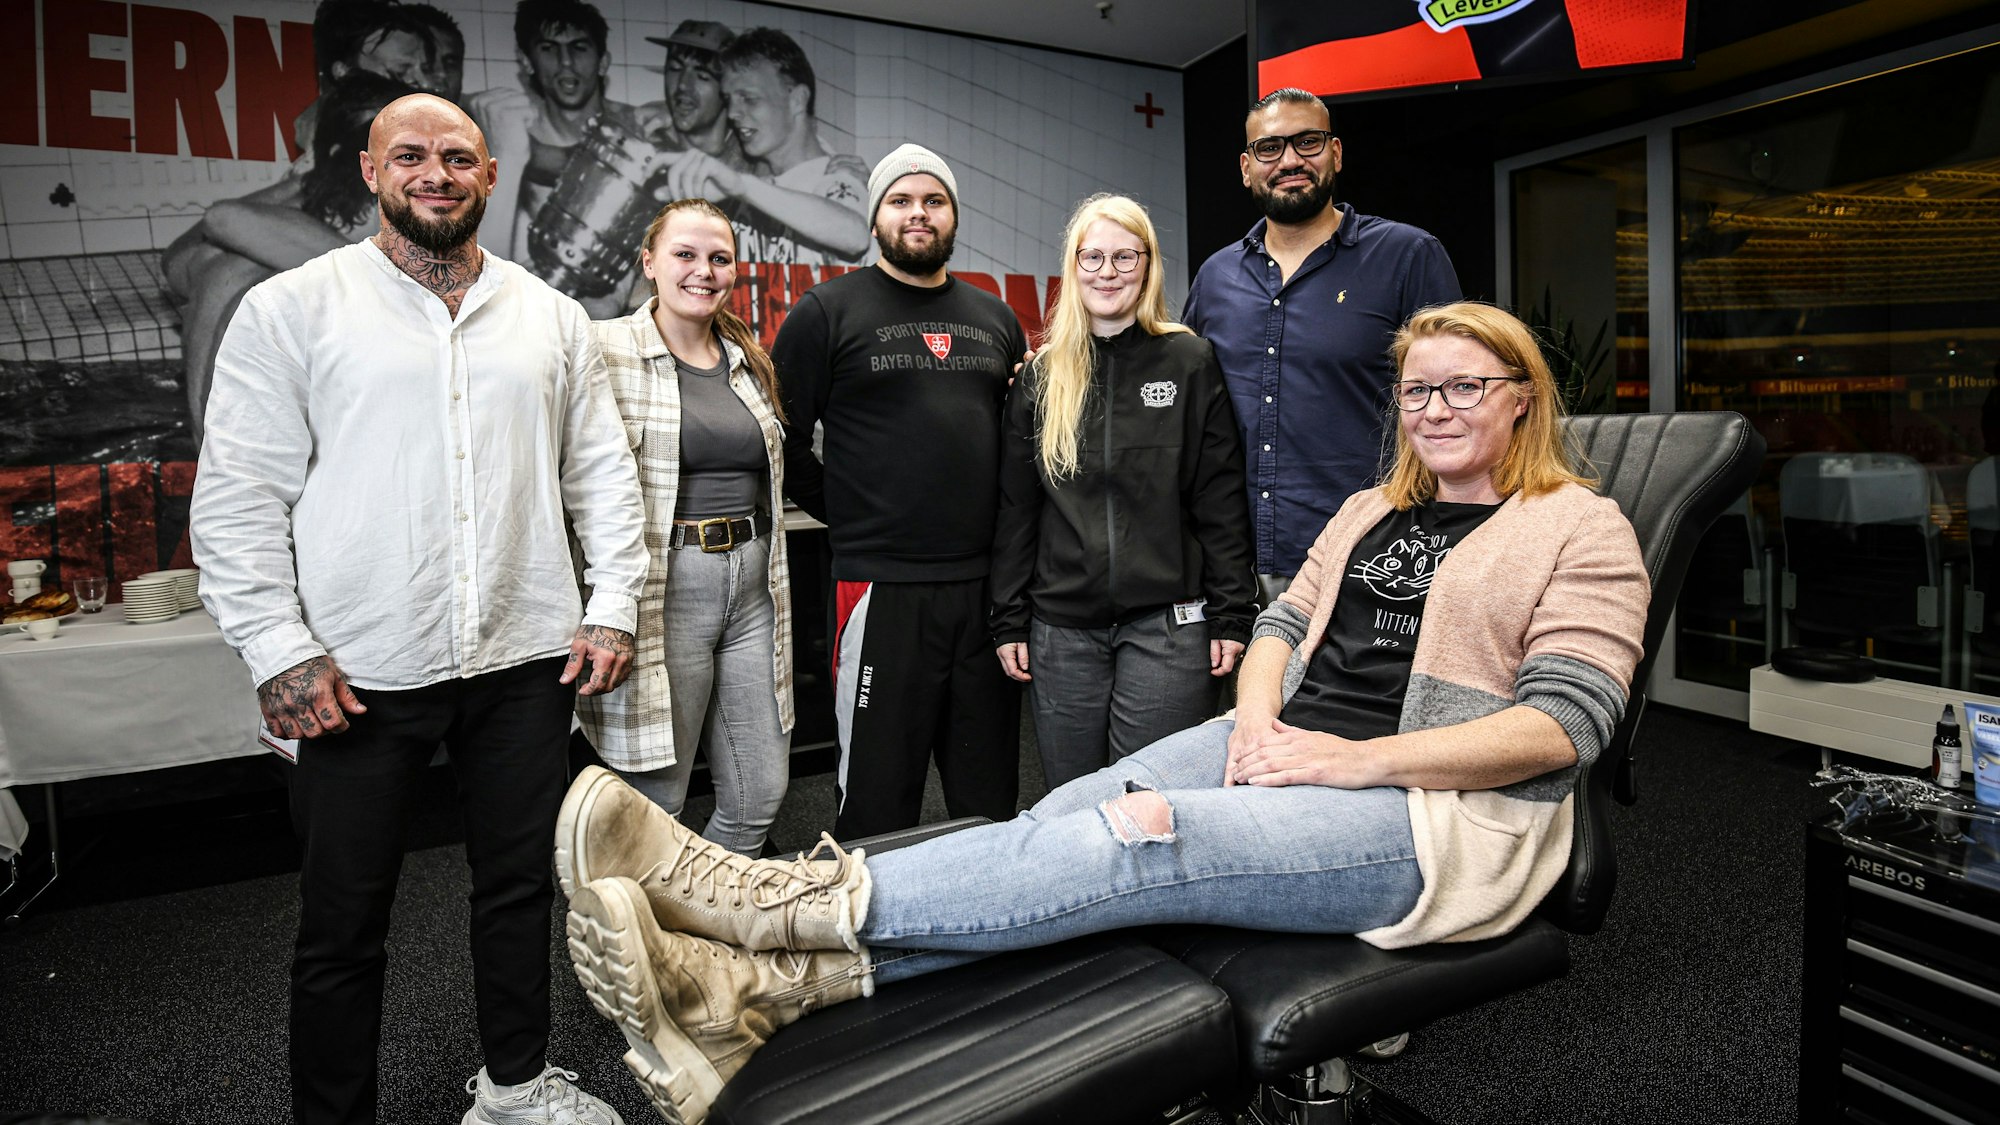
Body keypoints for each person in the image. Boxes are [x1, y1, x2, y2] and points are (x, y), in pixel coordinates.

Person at [558, 300, 1651, 1125]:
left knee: (1141, 840)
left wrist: (1349, 763)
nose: (1435, 410)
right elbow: (1280, 625)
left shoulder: (1577, 526)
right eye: (1416, 392)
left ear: (1521, 396)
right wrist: (1259, 726)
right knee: (1063, 816)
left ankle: (764, 901)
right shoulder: (1374, 506)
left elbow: (1566, 725)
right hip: (1285, 747)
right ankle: (763, 989)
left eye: (1463, 388)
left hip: (1432, 815)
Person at [189, 93, 645, 1125]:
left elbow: (602, 475)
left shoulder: (549, 315)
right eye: (409, 156)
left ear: (488, 176)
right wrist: (276, 647)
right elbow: (238, 496)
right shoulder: (294, 308)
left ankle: (516, 1090)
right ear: (370, 171)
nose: (434, 173)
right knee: (342, 921)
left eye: (456, 157)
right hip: (357, 670)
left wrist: (612, 601)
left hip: (524, 656)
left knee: (518, 891)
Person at [772, 143, 1029, 839]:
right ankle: (873, 915)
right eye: (901, 200)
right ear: (875, 215)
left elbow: (1015, 448)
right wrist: (850, 516)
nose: (919, 213)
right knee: (877, 803)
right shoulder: (826, 311)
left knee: (990, 803)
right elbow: (780, 442)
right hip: (879, 590)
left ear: (953, 216)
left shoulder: (996, 318)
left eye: (933, 200)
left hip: (984, 594)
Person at [990, 193, 1256, 787]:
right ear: (1073, 266)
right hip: (1062, 630)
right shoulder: (1041, 376)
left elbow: (1218, 500)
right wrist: (1008, 618)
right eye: (1093, 257)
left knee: (1153, 799)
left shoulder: (1189, 361)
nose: (1107, 272)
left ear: (1148, 265)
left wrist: (1232, 614)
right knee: (1072, 802)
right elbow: (1017, 510)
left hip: (1168, 628)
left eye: (1124, 257)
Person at [1183, 87, 1462, 604]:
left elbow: (1460, 401)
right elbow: (1176, 390)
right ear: (1246, 168)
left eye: (1307, 142)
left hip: (1375, 558)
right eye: (1270, 148)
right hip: (1236, 568)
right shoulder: (1216, 277)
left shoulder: (1406, 256)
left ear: (1335, 153)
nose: (1290, 160)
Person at [576, 197, 793, 855]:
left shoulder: (749, 359)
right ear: (649, 262)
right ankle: (628, 918)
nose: (704, 270)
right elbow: (568, 481)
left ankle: (708, 913)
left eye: (719, 258)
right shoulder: (603, 348)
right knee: (656, 803)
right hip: (665, 592)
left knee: (758, 796)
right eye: (685, 254)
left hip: (754, 591)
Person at [657, 28, 870, 268]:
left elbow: (855, 236)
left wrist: (741, 186)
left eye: (749, 99)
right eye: (729, 100)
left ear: (798, 100)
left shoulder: (840, 178)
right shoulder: (752, 190)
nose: (733, 113)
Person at [471, 0, 643, 281]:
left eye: (579, 47)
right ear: (527, 61)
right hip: (537, 289)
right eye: (549, 48)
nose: (566, 62)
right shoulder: (508, 136)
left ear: (603, 62)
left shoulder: (639, 131)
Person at [636, 20, 746, 170]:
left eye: (702, 75)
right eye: (675, 68)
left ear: (728, 88)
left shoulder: (752, 155)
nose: (683, 84)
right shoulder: (646, 141)